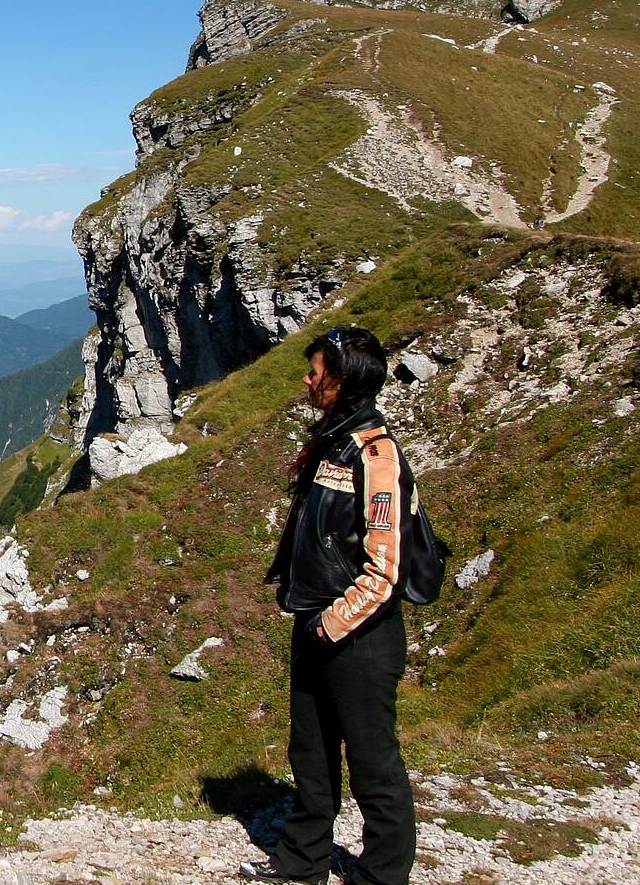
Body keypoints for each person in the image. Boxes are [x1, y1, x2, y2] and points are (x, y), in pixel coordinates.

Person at [240, 325, 417, 885]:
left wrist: (331, 625)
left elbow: (386, 568)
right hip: (317, 621)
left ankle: (383, 876)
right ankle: (302, 861)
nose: (306, 380)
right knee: (310, 753)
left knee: (373, 762)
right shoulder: (333, 441)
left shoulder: (377, 454)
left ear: (340, 382)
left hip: (360, 638)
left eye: (315, 372)